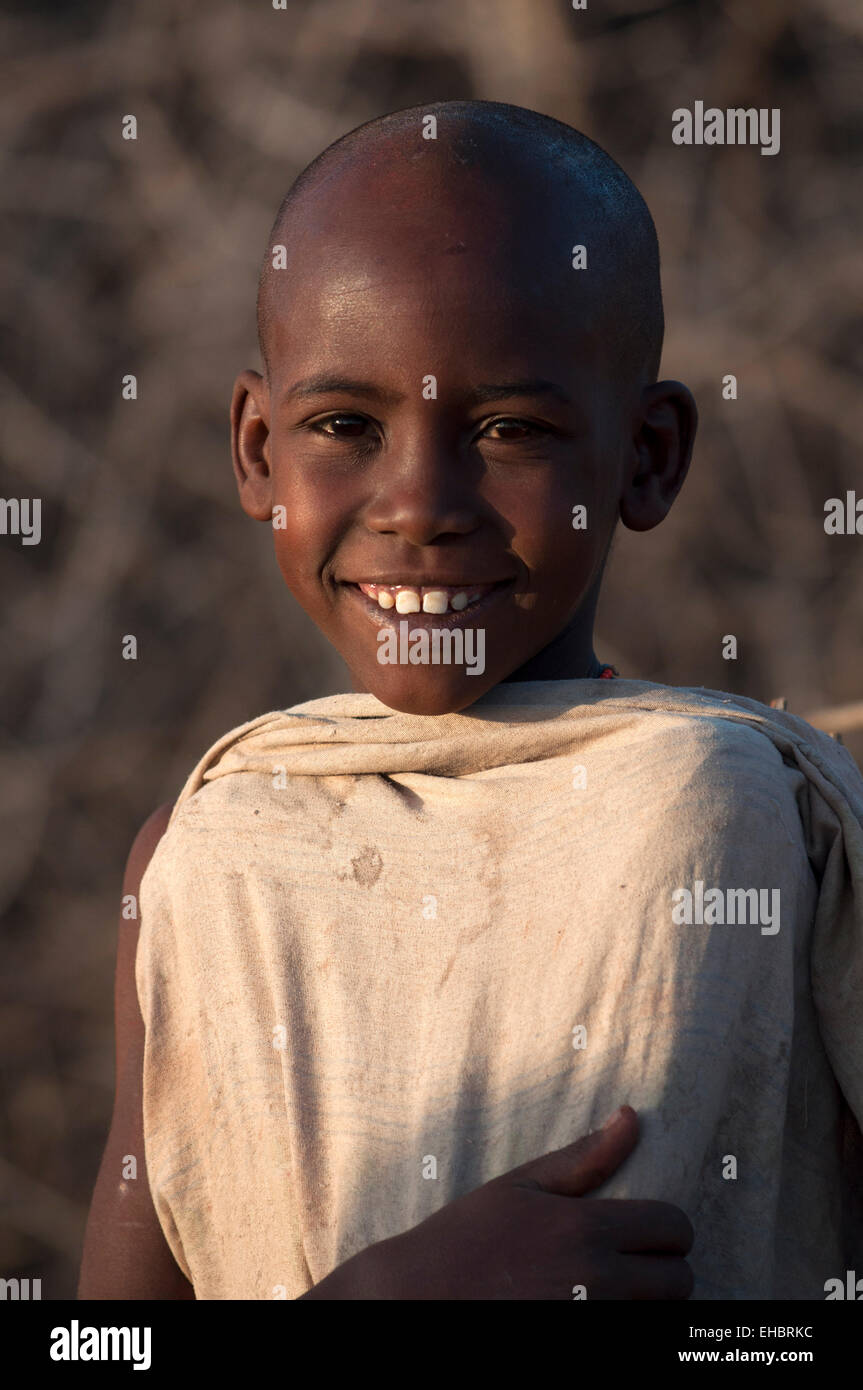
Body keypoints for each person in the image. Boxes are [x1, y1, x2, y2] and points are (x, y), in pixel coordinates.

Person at [79, 100, 863, 1301]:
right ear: (255, 450)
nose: (419, 503)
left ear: (647, 457)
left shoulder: (765, 818)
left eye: (508, 429)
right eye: (344, 424)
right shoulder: (209, 855)